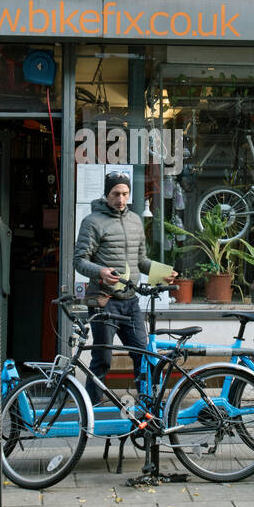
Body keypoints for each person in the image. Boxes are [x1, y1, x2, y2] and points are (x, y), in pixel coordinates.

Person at [72, 173, 175, 404]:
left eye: (125, 194)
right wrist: (100, 272)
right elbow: (78, 260)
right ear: (107, 194)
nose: (121, 199)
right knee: (102, 359)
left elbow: (141, 260)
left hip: (130, 301)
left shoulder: (135, 221)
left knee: (144, 354)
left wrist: (162, 273)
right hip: (104, 300)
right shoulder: (93, 221)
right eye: (116, 194)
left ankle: (147, 406)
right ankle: (91, 410)